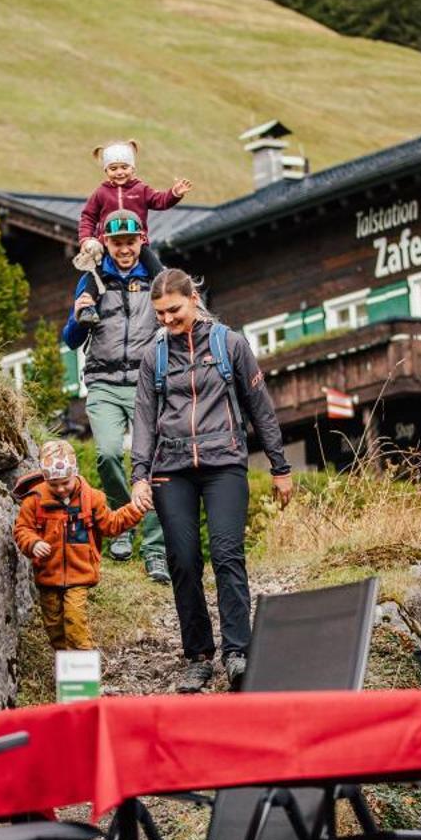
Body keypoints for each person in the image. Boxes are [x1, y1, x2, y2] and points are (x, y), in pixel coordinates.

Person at [130, 268, 294, 692]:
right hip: (171, 468)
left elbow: (260, 407)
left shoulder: (229, 344)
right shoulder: (155, 357)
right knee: (183, 562)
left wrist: (280, 467)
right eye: (159, 314)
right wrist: (139, 476)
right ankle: (198, 656)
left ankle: (237, 652)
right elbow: (145, 421)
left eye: (173, 310)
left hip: (224, 465)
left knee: (227, 555)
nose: (166, 320)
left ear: (193, 299)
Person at [64, 210, 170, 581]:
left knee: (155, 465)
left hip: (146, 383)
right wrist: (78, 317)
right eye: (117, 243)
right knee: (108, 453)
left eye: (130, 242)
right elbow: (71, 339)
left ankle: (155, 550)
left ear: (141, 241)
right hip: (104, 382)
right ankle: (121, 525)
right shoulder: (93, 279)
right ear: (106, 243)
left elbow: (181, 315)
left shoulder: (157, 279)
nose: (124, 250)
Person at [13, 440, 150, 652]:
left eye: (65, 482)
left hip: (79, 576)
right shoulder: (34, 500)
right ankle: (68, 674)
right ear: (45, 478)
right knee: (54, 628)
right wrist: (33, 542)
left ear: (74, 473)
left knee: (75, 624)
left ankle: (84, 680)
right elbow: (22, 529)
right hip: (47, 576)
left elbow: (111, 525)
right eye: (53, 484)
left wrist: (135, 509)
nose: (60, 489)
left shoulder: (91, 499)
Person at [73, 140, 193, 271]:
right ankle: (88, 292)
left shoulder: (141, 189)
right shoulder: (101, 192)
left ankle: (164, 287)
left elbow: (161, 201)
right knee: (94, 273)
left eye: (124, 167)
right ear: (106, 170)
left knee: (158, 271)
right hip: (107, 243)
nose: (119, 172)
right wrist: (86, 239)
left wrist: (174, 193)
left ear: (133, 168)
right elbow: (88, 217)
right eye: (113, 168)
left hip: (137, 243)